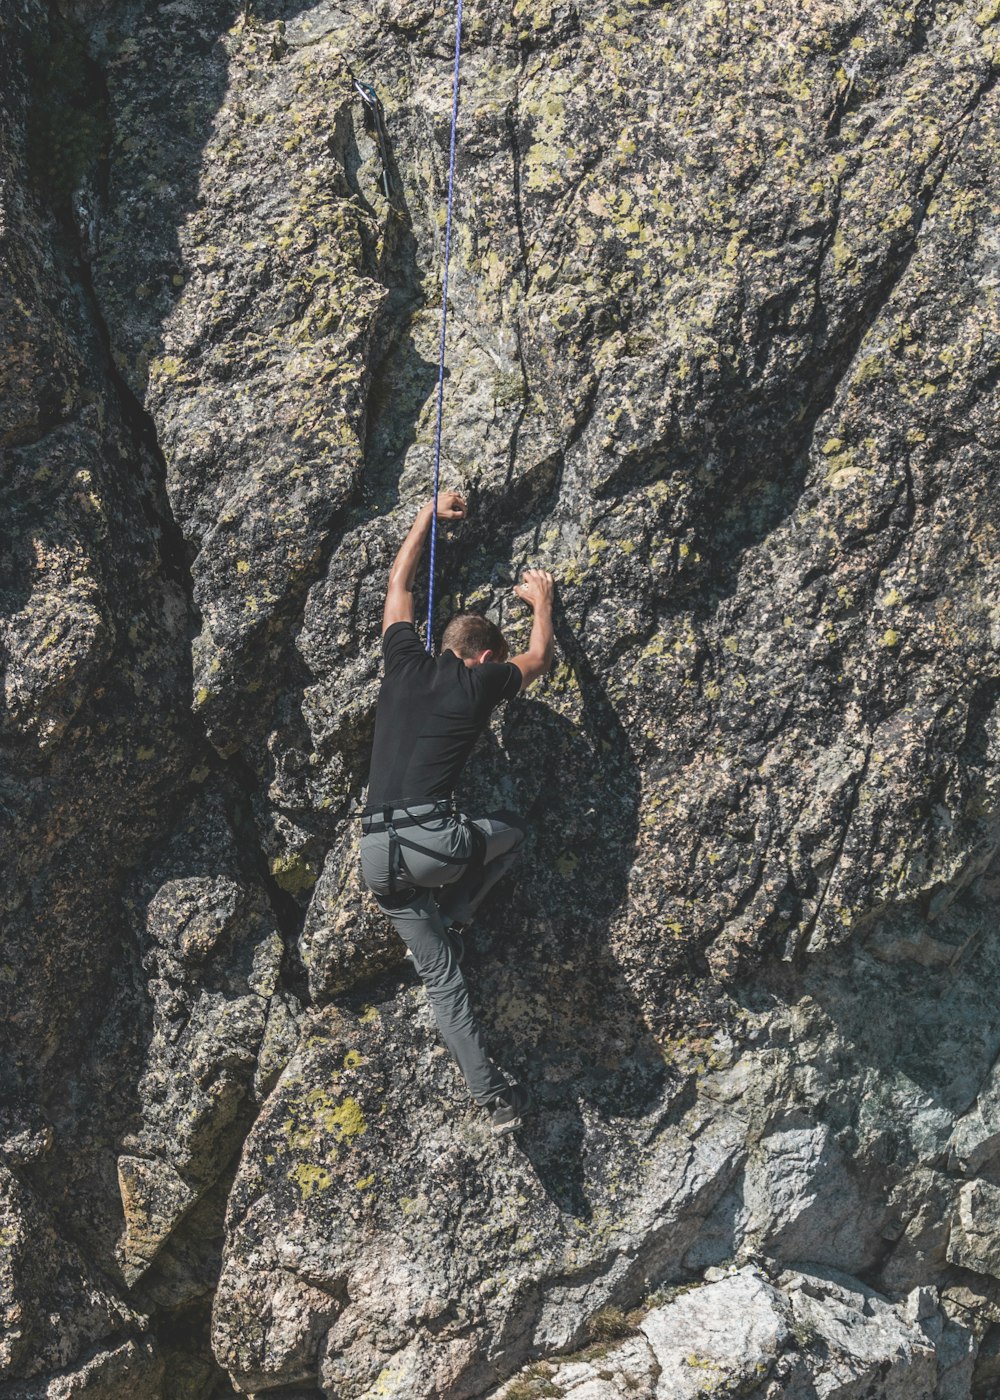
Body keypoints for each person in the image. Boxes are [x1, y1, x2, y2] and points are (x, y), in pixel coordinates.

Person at [359, 490, 555, 1135]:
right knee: (513, 835)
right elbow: (539, 660)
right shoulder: (480, 681)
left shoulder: (401, 664)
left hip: (375, 857)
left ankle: (491, 1101)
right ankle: (464, 910)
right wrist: (542, 605)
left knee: (442, 979)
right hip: (433, 844)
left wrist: (424, 515)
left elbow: (398, 582)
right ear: (482, 657)